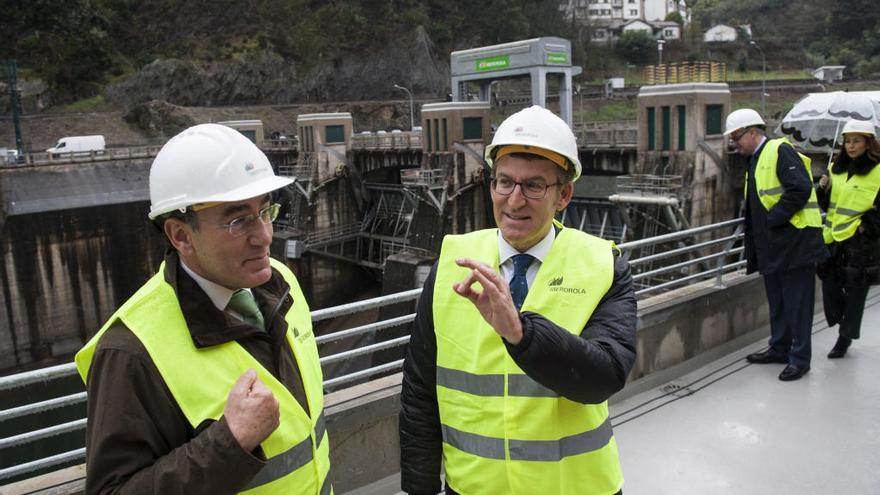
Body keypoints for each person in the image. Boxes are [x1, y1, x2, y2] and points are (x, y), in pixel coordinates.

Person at [74, 123, 331, 494]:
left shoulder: (281, 282)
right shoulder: (131, 351)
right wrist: (230, 442)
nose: (264, 236)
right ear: (181, 235)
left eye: (265, 211)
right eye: (238, 220)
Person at [399, 105, 637, 495]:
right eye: (504, 182)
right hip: (475, 487)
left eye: (534, 186)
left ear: (564, 195)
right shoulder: (452, 263)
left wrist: (523, 335)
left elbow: (605, 376)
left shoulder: (603, 266)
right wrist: (420, 487)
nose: (514, 200)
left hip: (575, 488)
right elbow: (420, 390)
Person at [725, 108, 828, 381]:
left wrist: (774, 219)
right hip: (773, 248)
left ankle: (800, 359)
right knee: (779, 302)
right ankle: (780, 348)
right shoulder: (755, 160)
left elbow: (801, 188)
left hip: (795, 244)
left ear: (752, 132)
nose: (735, 144)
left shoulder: (779, 151)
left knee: (798, 304)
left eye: (737, 138)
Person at [816, 120, 880, 358]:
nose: (851, 146)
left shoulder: (878, 170)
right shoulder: (836, 168)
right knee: (830, 285)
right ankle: (844, 324)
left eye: (857, 141)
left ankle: (844, 338)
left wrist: (866, 227)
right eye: (848, 141)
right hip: (832, 237)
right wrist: (822, 188)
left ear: (868, 143)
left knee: (855, 290)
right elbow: (826, 204)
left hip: (860, 241)